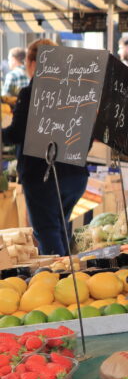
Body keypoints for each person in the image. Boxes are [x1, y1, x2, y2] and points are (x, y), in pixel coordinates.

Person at [2, 39, 89, 256]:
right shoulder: (75, 90)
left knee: (47, 230)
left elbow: (16, 133)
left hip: (42, 175)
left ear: (33, 63)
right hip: (75, 175)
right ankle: (68, 271)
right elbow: (85, 136)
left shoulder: (31, 92)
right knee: (59, 227)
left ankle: (58, 273)